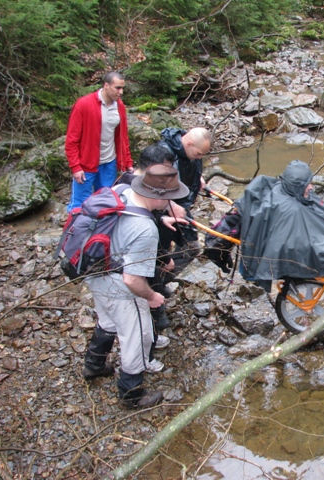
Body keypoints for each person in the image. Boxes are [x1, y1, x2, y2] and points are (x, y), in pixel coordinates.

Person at [204, 160, 324, 327]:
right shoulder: (291, 211)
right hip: (312, 248)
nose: (311, 188)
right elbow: (299, 245)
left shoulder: (287, 192)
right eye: (307, 184)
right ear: (296, 186)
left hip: (318, 237)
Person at [81, 164, 189, 409]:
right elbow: (132, 280)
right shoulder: (145, 229)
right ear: (159, 197)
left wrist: (162, 217)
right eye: (169, 198)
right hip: (119, 284)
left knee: (107, 321)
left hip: (94, 271)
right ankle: (131, 394)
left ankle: (94, 365)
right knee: (137, 336)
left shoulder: (121, 189)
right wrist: (151, 296)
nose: (171, 202)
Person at [116, 145, 190, 332]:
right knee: (149, 281)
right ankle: (156, 320)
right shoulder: (145, 220)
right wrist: (164, 258)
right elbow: (143, 235)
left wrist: (163, 216)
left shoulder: (124, 185)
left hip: (134, 251)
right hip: (141, 255)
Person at [65, 72, 133, 212]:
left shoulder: (119, 106)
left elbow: (122, 138)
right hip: (86, 164)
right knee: (80, 205)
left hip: (109, 163)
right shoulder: (83, 104)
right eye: (117, 88)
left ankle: (99, 233)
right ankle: (74, 232)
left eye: (122, 88)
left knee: (106, 203)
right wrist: (75, 167)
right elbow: (72, 140)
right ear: (106, 85)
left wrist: (127, 162)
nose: (121, 92)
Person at [158, 127, 211, 269]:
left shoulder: (191, 152)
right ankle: (154, 285)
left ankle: (164, 278)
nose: (200, 157)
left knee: (192, 248)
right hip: (160, 210)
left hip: (180, 206)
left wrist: (198, 176)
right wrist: (170, 206)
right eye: (199, 154)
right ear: (189, 144)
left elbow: (190, 165)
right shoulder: (163, 154)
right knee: (160, 252)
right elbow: (153, 187)